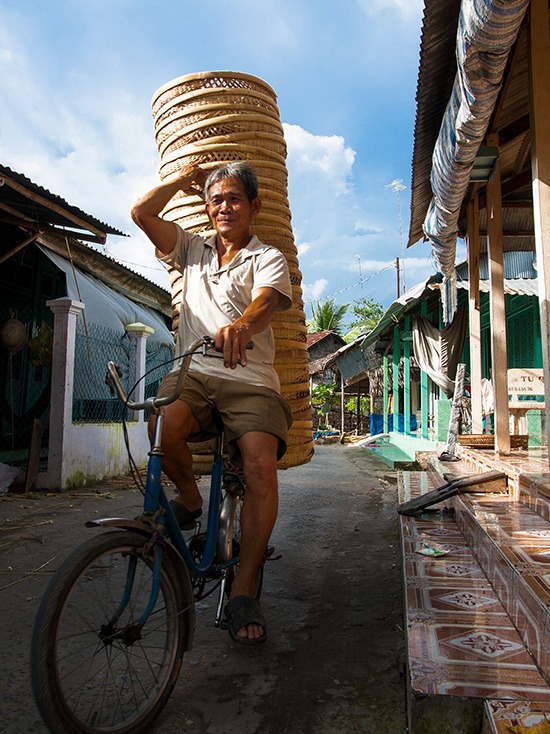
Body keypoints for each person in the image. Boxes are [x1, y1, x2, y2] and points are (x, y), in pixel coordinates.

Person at [131, 160, 293, 645]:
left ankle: (244, 588)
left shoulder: (267, 256)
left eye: (235, 198)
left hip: (252, 379)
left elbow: (266, 302)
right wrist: (182, 180)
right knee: (160, 424)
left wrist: (242, 325)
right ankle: (191, 500)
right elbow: (141, 213)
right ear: (207, 207)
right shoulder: (190, 248)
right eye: (216, 199)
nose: (225, 207)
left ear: (254, 207)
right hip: (195, 372)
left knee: (261, 464)